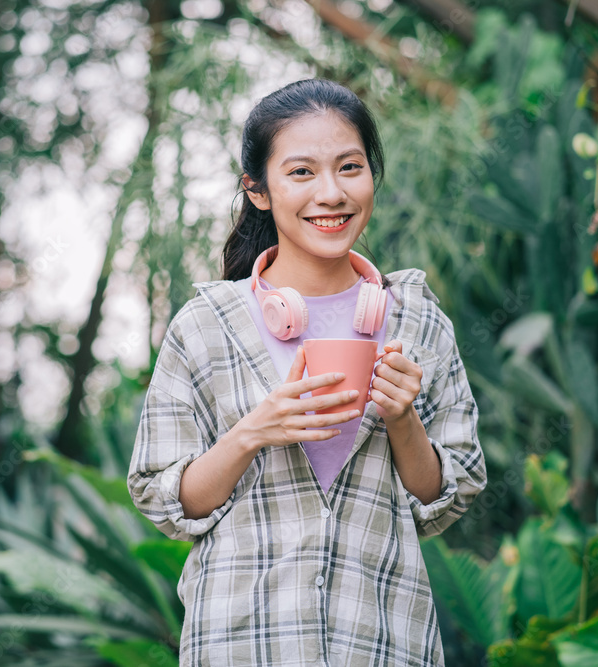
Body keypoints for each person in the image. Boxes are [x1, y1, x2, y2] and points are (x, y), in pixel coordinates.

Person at [127, 78, 486, 666]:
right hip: (239, 643)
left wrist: (402, 420)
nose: (331, 193)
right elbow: (168, 503)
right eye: (300, 173)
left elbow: (445, 498)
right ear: (258, 190)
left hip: (382, 641)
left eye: (350, 167)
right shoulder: (206, 325)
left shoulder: (417, 321)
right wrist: (252, 431)